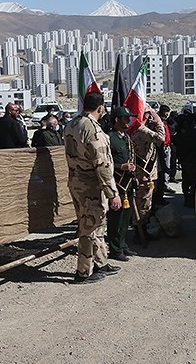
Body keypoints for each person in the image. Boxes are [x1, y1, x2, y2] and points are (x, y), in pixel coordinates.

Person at [62, 91, 122, 283]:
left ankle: (101, 263)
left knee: (96, 224)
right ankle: (83, 272)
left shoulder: (71, 124)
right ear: (100, 107)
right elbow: (102, 164)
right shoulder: (93, 130)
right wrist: (113, 194)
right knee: (89, 229)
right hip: (91, 187)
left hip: (77, 182)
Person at [106, 106, 137, 261]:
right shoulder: (109, 138)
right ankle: (115, 248)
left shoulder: (125, 137)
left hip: (128, 182)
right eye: (125, 118)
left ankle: (123, 245)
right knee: (115, 218)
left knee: (126, 217)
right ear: (117, 120)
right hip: (117, 183)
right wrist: (121, 167)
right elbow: (106, 162)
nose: (128, 121)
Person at [131, 104, 166, 234]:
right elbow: (161, 138)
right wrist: (158, 122)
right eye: (149, 114)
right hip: (144, 174)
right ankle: (140, 229)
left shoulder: (135, 128)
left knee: (142, 201)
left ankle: (139, 227)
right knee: (144, 203)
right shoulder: (141, 130)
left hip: (142, 172)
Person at [176, 110, 196, 208]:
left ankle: (186, 198)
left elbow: (178, 145)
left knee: (186, 179)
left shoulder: (182, 132)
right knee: (194, 180)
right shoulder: (194, 133)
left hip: (184, 159)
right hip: (193, 160)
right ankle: (191, 198)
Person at [152, 104, 174, 208]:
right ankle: (158, 198)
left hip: (165, 148)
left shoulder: (164, 122)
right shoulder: (157, 123)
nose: (166, 115)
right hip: (159, 149)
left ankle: (161, 193)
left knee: (163, 172)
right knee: (160, 175)